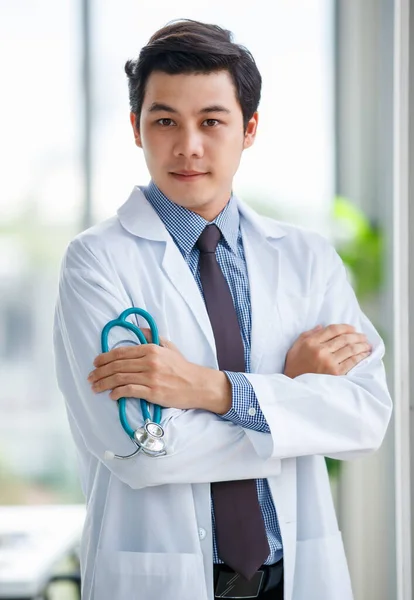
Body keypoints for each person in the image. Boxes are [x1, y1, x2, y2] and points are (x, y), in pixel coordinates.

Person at [53, 19, 392, 600]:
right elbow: (142, 451)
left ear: (249, 128)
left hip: (295, 576)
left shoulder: (306, 259)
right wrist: (288, 395)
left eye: (212, 121)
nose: (188, 146)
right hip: (162, 579)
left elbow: (364, 417)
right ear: (136, 129)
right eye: (165, 121)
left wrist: (213, 391)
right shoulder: (95, 262)